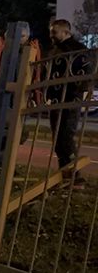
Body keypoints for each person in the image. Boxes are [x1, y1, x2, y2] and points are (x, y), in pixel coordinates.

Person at [46, 19, 89, 176]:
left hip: (70, 99)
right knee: (57, 138)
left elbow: (85, 74)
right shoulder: (54, 50)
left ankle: (74, 174)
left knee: (65, 136)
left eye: (54, 32)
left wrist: (78, 91)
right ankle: (64, 171)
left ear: (66, 32)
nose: (51, 35)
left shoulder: (78, 50)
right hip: (56, 100)